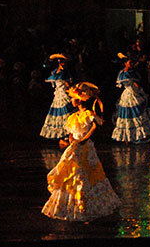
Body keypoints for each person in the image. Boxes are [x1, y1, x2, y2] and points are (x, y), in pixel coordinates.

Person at [42, 82, 121, 221]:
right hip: (75, 146)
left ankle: (85, 204)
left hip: (84, 147)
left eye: (72, 98)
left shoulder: (87, 114)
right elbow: (72, 132)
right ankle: (73, 204)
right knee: (71, 171)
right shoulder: (73, 116)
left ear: (79, 100)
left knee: (84, 172)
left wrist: (83, 139)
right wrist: (71, 139)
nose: (71, 100)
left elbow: (94, 127)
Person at [111, 53, 150, 143]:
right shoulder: (122, 72)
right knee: (127, 113)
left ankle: (138, 136)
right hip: (127, 93)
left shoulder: (133, 72)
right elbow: (120, 84)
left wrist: (137, 88)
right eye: (130, 62)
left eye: (132, 63)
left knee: (137, 112)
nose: (131, 64)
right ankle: (127, 137)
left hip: (134, 92)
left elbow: (136, 83)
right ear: (125, 63)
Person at [40, 54, 76, 145]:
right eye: (64, 62)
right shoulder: (55, 72)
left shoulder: (65, 72)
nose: (65, 64)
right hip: (58, 96)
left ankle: (68, 135)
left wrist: (72, 92)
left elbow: (68, 84)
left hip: (64, 94)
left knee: (67, 113)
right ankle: (63, 136)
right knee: (60, 115)